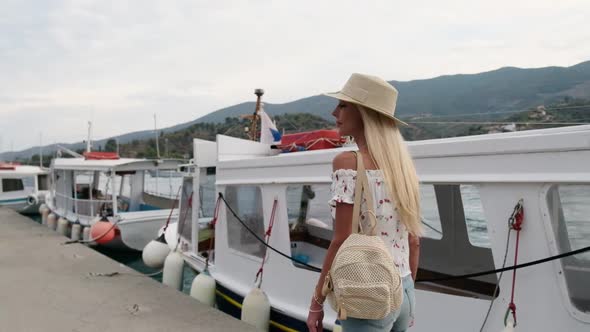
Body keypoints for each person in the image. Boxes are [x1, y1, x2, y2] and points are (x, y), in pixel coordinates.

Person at [306, 73, 422, 332]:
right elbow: (414, 240)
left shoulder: (348, 163)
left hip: (370, 293)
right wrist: (406, 289)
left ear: (364, 113)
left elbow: (341, 240)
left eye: (343, 105)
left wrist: (317, 302)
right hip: (405, 289)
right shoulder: (404, 169)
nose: (334, 111)